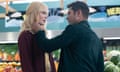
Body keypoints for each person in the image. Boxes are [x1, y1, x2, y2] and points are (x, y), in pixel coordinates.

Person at [32, 1, 104, 72]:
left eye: (69, 13)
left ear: (78, 13)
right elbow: (100, 68)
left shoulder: (74, 29)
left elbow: (47, 46)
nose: (67, 18)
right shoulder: (96, 39)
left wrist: (39, 31)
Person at [18, 1, 56, 72]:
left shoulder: (41, 34)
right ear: (34, 14)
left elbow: (50, 61)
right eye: (43, 13)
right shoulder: (25, 36)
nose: (46, 16)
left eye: (47, 14)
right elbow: (26, 65)